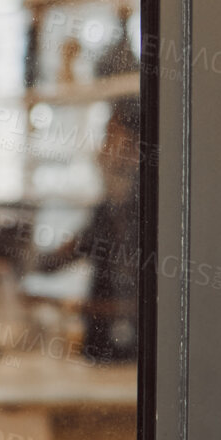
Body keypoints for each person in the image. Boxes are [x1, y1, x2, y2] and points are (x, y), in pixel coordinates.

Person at [30, 95, 142, 363]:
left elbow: (140, 305)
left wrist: (74, 306)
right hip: (101, 357)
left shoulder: (145, 216)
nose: (101, 151)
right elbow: (55, 259)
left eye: (112, 138)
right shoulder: (107, 210)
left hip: (132, 366)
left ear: (136, 150)